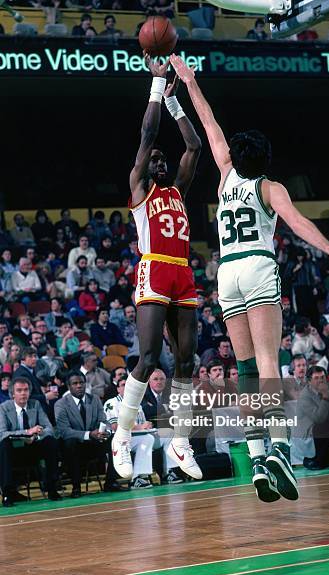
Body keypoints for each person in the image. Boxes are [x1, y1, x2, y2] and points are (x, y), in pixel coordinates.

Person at [170, 53, 329, 503]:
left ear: (237, 154)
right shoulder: (269, 187)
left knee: (244, 369)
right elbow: (297, 223)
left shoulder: (224, 176)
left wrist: (190, 81)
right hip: (257, 265)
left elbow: (209, 119)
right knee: (269, 364)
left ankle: (256, 459)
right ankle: (277, 449)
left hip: (227, 272)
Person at [111, 54, 203, 483]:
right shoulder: (140, 188)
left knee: (188, 360)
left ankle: (181, 441)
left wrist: (175, 103)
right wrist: (154, 84)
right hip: (154, 269)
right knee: (149, 357)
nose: (161, 163)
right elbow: (148, 135)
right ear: (145, 168)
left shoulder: (179, 190)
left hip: (183, 271)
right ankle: (122, 436)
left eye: (164, 161)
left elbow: (195, 147)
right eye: (155, 161)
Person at [55, 370, 126, 498]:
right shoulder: (61, 404)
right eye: (75, 383)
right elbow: (64, 431)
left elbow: (104, 421)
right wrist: (89, 434)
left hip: (94, 443)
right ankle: (76, 487)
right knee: (70, 443)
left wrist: (105, 432)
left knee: (116, 439)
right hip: (74, 445)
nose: (79, 386)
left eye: (81, 382)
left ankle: (111, 482)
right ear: (69, 386)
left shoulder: (94, 399)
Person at [0, 377, 61, 506]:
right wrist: (26, 433)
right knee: (4, 445)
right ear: (12, 394)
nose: (23, 393)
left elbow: (49, 428)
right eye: (19, 390)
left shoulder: (35, 404)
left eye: (26, 390)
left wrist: (37, 436)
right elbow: (2, 433)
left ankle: (52, 487)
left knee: (50, 441)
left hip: (33, 446)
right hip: (14, 449)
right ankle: (7, 493)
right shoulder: (4, 408)